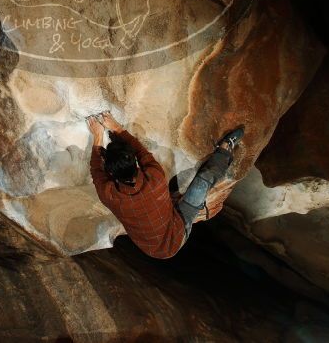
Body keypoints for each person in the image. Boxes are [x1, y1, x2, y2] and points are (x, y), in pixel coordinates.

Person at [86, 111, 243, 259]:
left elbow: (96, 170)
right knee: (202, 183)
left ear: (111, 174)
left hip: (149, 248)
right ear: (134, 162)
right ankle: (225, 149)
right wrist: (117, 128)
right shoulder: (155, 177)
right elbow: (141, 152)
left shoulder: (110, 195)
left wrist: (97, 136)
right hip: (176, 235)